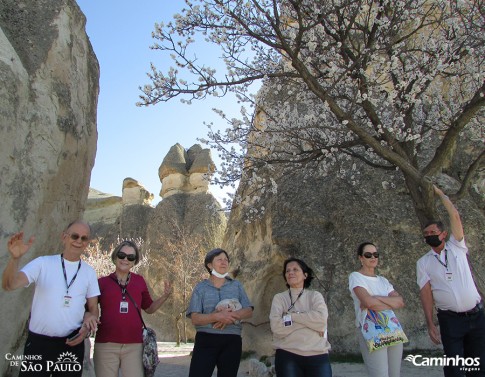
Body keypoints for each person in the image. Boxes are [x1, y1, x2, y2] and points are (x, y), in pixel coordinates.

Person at [2, 221, 100, 377]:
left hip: (71, 346)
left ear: (87, 243)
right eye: (74, 236)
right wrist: (15, 259)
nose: (78, 241)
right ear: (64, 237)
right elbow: (9, 285)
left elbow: (94, 308)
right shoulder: (43, 263)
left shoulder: (89, 273)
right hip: (39, 345)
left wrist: (87, 327)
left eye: (83, 238)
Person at [417, 185, 485, 377]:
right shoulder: (423, 263)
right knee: (454, 368)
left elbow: (454, 216)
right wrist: (430, 323)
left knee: (478, 367)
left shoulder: (457, 247)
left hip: (476, 316)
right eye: (426, 235)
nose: (430, 236)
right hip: (450, 320)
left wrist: (440, 194)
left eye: (433, 232)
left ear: (444, 234)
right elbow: (426, 293)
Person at [93, 240, 172, 377]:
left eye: (130, 257)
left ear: (134, 261)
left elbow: (149, 308)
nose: (125, 259)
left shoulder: (139, 281)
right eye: (122, 255)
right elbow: (90, 308)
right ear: (115, 256)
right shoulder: (102, 283)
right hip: (106, 344)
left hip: (134, 346)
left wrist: (164, 297)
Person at [186, 248, 253, 377]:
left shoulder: (236, 285)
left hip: (232, 340)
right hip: (206, 340)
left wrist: (229, 316)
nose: (224, 262)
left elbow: (249, 311)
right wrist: (217, 316)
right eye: (219, 260)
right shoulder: (201, 288)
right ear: (209, 265)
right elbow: (195, 318)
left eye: (226, 260)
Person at [348, 242, 405, 377]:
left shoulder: (383, 280)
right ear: (360, 258)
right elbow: (368, 302)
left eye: (375, 254)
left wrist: (376, 298)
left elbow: (400, 302)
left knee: (394, 374)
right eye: (368, 255)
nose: (373, 257)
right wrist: (387, 303)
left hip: (392, 329)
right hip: (371, 330)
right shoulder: (356, 277)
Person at [270, 257, 332, 377]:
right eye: (287, 271)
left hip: (317, 354)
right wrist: (309, 323)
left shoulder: (315, 296)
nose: (290, 273)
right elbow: (277, 328)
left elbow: (321, 321)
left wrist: (291, 317)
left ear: (305, 275)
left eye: (295, 269)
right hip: (287, 354)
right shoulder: (279, 298)